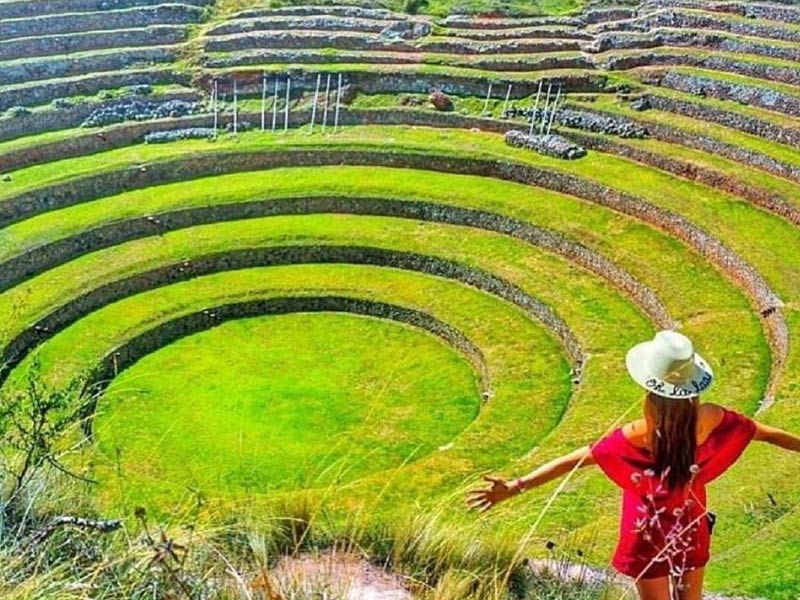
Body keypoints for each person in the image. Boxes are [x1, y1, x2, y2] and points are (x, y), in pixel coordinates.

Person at [468, 330, 800, 600]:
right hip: (690, 527)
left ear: (649, 390)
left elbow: (574, 460)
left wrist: (515, 487)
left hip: (647, 533)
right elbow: (765, 433)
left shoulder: (634, 436)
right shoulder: (710, 418)